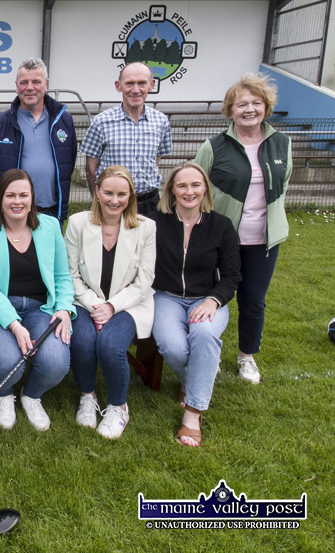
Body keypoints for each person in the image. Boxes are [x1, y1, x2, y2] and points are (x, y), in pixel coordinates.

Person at [195, 73, 292, 384]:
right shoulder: (214, 146)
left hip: (263, 239)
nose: (249, 109)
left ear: (266, 106)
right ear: (230, 110)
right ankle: (210, 352)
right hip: (222, 239)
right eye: (242, 104)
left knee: (253, 299)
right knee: (213, 295)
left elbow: (283, 185)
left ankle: (246, 356)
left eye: (256, 103)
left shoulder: (281, 143)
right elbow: (197, 186)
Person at [0, 169, 73, 431]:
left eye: (23, 195)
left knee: (55, 362)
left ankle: (31, 395)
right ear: (0, 198)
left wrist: (63, 309)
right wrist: (15, 326)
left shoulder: (50, 227)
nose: (17, 201)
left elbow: (63, 276)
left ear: (32, 198)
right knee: (8, 363)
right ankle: (4, 396)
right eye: (10, 195)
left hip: (42, 308)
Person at [147, 162, 241, 447]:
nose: (189, 191)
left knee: (204, 335)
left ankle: (192, 413)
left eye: (195, 185)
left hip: (207, 298)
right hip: (166, 295)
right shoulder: (154, 222)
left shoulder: (221, 226)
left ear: (205, 189)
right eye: (182, 186)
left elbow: (233, 275)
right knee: (173, 346)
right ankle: (202, 371)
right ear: (172, 190)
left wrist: (213, 300)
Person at [65, 166, 156, 439]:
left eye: (121, 194)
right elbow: (69, 274)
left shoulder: (146, 227)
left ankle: (118, 406)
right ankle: (87, 396)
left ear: (130, 196)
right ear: (97, 191)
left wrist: (112, 306)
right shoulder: (78, 223)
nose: (114, 200)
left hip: (129, 304)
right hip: (84, 301)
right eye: (108, 193)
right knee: (82, 340)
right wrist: (96, 305)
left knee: (110, 345)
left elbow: (145, 280)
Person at [0, 58, 77, 223]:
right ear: (16, 85)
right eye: (24, 82)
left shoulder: (64, 120)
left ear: (46, 84)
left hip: (51, 211)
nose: (30, 88)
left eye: (36, 82)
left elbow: (68, 160)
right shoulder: (0, 124)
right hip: (13, 212)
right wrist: (8, 193)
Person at [81, 62, 172, 215]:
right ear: (119, 86)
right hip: (114, 204)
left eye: (142, 83)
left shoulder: (161, 121)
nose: (135, 90)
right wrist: (98, 201)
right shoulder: (101, 122)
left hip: (149, 204)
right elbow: (91, 170)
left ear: (151, 85)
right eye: (129, 83)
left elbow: (156, 160)